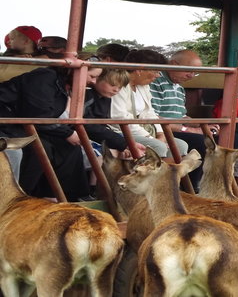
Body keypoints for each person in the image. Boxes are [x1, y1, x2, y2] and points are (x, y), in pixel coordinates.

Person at [0, 65, 90, 201]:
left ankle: (59, 195)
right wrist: (67, 133)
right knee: (39, 148)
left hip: (23, 124)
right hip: (8, 121)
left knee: (68, 147)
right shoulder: (44, 77)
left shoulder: (63, 84)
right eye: (92, 76)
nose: (93, 81)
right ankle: (19, 198)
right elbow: (37, 114)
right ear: (74, 71)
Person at [149, 49, 214, 189]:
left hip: (175, 128)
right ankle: (189, 187)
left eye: (194, 73)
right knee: (200, 141)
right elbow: (153, 117)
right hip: (160, 129)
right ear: (173, 64)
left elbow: (182, 116)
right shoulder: (155, 82)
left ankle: (204, 184)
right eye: (188, 71)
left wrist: (202, 126)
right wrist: (188, 129)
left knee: (214, 138)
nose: (191, 76)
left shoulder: (179, 87)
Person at [110, 49, 188, 159]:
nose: (158, 75)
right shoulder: (119, 84)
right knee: (158, 147)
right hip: (122, 132)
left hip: (144, 130)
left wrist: (161, 134)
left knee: (180, 146)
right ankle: (150, 175)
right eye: (156, 71)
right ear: (139, 70)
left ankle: (169, 175)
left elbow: (150, 112)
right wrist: (150, 138)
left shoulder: (144, 86)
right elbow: (120, 119)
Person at [83, 68, 146, 159]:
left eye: (120, 87)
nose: (116, 90)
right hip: (84, 136)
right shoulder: (86, 95)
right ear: (97, 79)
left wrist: (125, 144)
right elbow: (89, 126)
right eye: (112, 85)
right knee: (102, 157)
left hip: (97, 135)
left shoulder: (106, 98)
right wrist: (124, 144)